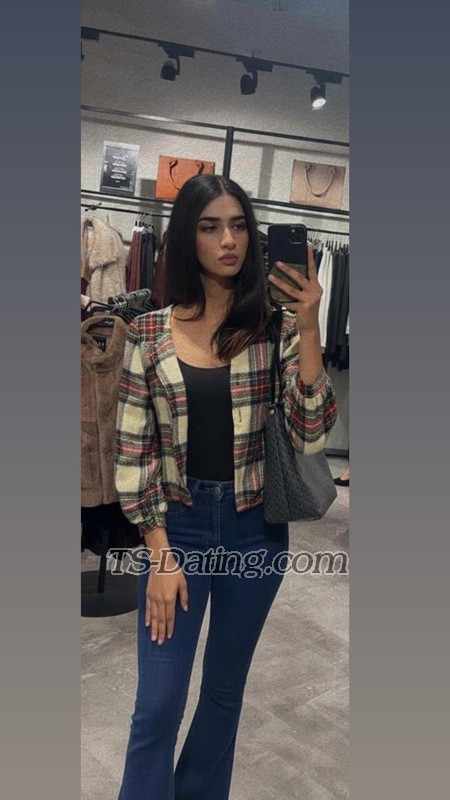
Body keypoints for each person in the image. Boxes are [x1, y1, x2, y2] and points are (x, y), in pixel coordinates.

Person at [114, 174, 337, 800]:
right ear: (188, 237)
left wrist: (310, 327)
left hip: (254, 531)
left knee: (222, 695)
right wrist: (160, 554)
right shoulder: (148, 334)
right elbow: (133, 456)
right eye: (211, 227)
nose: (228, 240)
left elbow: (311, 433)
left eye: (238, 225)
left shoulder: (273, 329)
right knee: (158, 705)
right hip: (178, 528)